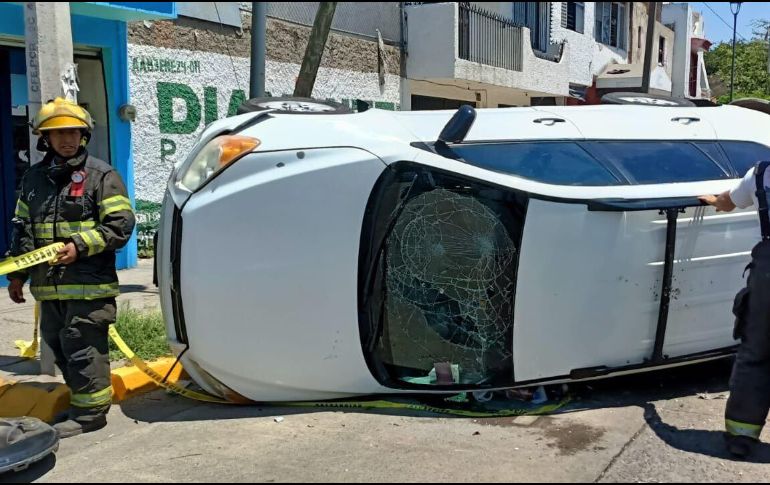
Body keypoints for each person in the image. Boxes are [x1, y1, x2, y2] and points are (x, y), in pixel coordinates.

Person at [6, 98, 135, 438]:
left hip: (88, 286)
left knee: (83, 348)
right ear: (44, 139)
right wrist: (17, 274)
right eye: (57, 133)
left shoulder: (101, 176)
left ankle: (91, 415)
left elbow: (121, 224)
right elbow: (23, 228)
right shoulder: (33, 179)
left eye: (73, 132)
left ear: (83, 135)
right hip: (48, 287)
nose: (66, 139)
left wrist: (79, 246)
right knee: (60, 346)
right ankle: (83, 402)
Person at [700, 160, 770, 458]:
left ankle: (741, 436)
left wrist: (714, 199)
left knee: (756, 352)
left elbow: (728, 202)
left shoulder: (763, 172)